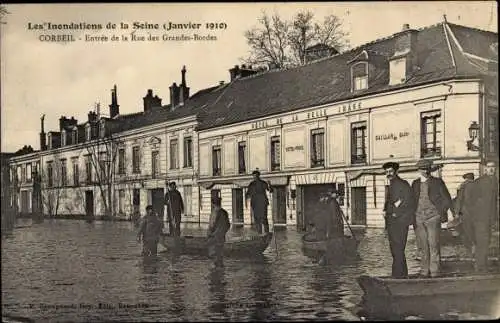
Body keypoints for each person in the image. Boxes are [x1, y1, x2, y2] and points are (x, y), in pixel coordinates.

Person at [411, 159, 453, 278]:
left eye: (427, 168)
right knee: (422, 246)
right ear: (418, 170)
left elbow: (447, 199)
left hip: (433, 217)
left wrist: (441, 212)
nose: (425, 171)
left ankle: (435, 272)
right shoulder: (415, 183)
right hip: (418, 218)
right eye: (423, 168)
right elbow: (411, 201)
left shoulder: (438, 182)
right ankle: (424, 271)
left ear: (430, 169)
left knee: (434, 244)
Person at [464, 161, 498, 272]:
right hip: (481, 217)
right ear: (485, 169)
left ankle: (482, 264)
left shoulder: (495, 181)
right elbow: (469, 199)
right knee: (482, 241)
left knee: (486, 241)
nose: (491, 169)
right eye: (489, 167)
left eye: (493, 167)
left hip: (489, 217)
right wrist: (477, 212)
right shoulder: (479, 182)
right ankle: (480, 266)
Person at [383, 161, 415, 279]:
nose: (388, 174)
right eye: (386, 172)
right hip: (392, 221)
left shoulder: (403, 184)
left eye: (390, 171)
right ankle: (400, 274)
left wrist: (396, 211)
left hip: (400, 222)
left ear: (396, 171)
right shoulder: (391, 184)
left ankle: (398, 275)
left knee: (398, 248)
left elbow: (408, 200)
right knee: (395, 249)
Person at [452, 172, 475, 254]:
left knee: (466, 230)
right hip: (477, 212)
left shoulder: (463, 186)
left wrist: (456, 213)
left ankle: (470, 247)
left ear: (466, 179)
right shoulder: (479, 186)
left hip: (466, 212)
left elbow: (459, 200)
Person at [245, 169, 273, 235]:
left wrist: (270, 184)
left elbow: (270, 190)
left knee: (263, 218)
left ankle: (266, 233)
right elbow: (248, 194)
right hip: (256, 203)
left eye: (256, 176)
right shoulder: (252, 184)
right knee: (257, 219)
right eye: (254, 176)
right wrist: (246, 202)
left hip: (261, 203)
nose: (255, 177)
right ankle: (260, 234)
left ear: (258, 176)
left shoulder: (263, 183)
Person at [207, 196, 231, 269]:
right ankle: (221, 272)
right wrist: (223, 232)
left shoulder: (214, 212)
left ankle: (215, 274)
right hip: (221, 237)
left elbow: (212, 225)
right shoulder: (225, 212)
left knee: (214, 255)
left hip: (214, 237)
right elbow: (228, 225)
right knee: (220, 255)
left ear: (213, 204)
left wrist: (209, 234)